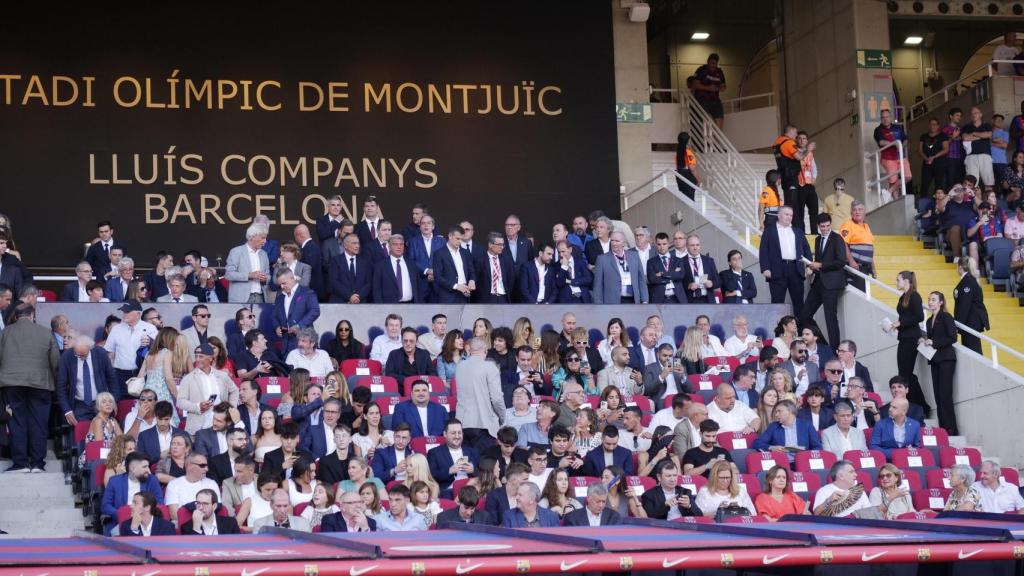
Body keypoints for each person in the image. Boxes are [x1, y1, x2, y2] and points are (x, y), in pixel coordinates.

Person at [0, 305, 59, 472]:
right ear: (32, 315)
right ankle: (37, 463)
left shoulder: (5, 333)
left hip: (11, 383)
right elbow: (55, 360)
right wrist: (52, 382)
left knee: (17, 422)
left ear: (16, 316)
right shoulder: (46, 332)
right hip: (41, 383)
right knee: (39, 423)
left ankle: (20, 463)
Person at [799, 213, 846, 350]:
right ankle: (823, 345)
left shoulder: (837, 239)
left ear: (830, 224)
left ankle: (834, 350)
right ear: (818, 226)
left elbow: (841, 261)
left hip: (832, 284)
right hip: (819, 281)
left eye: (827, 226)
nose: (825, 229)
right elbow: (820, 261)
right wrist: (812, 267)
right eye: (822, 226)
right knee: (804, 315)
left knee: (830, 318)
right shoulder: (818, 239)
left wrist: (821, 265)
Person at [888, 271, 929, 414]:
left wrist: (901, 322)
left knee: (905, 375)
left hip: (911, 338)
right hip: (905, 337)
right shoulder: (903, 297)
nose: (896, 282)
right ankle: (920, 405)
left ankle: (918, 406)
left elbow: (919, 316)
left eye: (898, 279)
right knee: (906, 374)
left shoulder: (914, 296)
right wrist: (897, 325)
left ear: (906, 281)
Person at [454, 339, 505, 451]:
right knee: (485, 465)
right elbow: (496, 398)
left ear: (470, 351)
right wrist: (502, 417)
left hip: (462, 424)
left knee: (467, 464)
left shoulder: (460, 366)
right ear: (485, 351)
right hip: (484, 425)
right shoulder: (490, 367)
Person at [178, 344, 239, 436]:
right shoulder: (188, 378)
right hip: (198, 428)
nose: (197, 359)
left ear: (210, 358)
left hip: (221, 428)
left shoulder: (222, 376)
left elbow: (234, 390)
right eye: (196, 356)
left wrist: (230, 409)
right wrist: (198, 406)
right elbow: (180, 402)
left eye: (201, 356)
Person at [759, 206, 811, 315]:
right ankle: (778, 331)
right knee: (777, 303)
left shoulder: (798, 232)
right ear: (779, 215)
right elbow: (763, 250)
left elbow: (806, 249)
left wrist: (809, 266)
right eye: (786, 214)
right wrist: (765, 268)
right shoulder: (769, 231)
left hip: (795, 269)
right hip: (777, 269)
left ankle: (800, 330)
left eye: (791, 215)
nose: (789, 217)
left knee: (799, 303)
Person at [924, 291, 959, 435]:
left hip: (946, 359)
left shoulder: (946, 316)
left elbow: (952, 337)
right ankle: (943, 428)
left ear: (941, 302)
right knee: (938, 395)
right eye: (929, 299)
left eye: (933, 300)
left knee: (945, 394)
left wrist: (934, 342)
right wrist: (925, 341)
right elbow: (932, 338)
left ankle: (951, 429)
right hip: (935, 360)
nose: (930, 302)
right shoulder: (928, 320)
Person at [774, 125, 815, 229]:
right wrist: (808, 149)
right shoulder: (788, 143)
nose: (796, 135)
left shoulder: (777, 142)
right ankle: (795, 230)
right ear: (791, 131)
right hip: (791, 178)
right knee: (793, 207)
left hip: (785, 177)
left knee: (790, 204)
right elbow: (800, 156)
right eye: (795, 133)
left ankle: (792, 228)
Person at [273, 269, 321, 356]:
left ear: (292, 278)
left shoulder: (307, 293)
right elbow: (274, 316)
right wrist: (277, 327)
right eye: (280, 284)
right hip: (285, 344)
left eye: (284, 283)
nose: (282, 287)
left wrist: (299, 326)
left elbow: (315, 310)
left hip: (305, 342)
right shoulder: (280, 298)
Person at [427, 419, 480, 498]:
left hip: (471, 490)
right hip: (449, 491)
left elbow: (484, 474)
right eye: (453, 433)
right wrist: (449, 470)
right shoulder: (434, 453)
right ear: (445, 434)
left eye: (459, 433)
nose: (457, 436)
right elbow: (431, 476)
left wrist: (474, 470)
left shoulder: (473, 452)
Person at [592, 231, 648, 304]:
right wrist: (598, 304)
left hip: (633, 300)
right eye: (612, 240)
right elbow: (597, 285)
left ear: (623, 243)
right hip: (612, 301)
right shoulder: (602, 259)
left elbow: (641, 280)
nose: (614, 243)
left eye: (617, 241)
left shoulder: (634, 256)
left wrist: (645, 300)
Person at [753, 400, 822, 454]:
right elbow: (757, 443)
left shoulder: (807, 425)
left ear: (790, 410)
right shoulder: (773, 426)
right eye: (776, 412)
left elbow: (817, 447)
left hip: (803, 461)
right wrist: (771, 447)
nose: (776, 415)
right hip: (781, 463)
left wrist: (806, 455)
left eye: (779, 411)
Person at [225, 224, 270, 303]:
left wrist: (265, 278)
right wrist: (249, 275)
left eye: (265, 238)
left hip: (260, 296)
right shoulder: (236, 251)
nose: (265, 241)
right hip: (240, 298)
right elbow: (228, 274)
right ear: (252, 236)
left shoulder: (264, 254)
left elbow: (268, 275)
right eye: (263, 238)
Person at [953, 256, 988, 355]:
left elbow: (964, 306)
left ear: (960, 267)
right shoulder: (970, 280)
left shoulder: (967, 282)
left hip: (970, 323)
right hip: (970, 322)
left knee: (973, 351)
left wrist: (957, 326)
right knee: (972, 351)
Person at [874, 108, 911, 200]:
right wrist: (894, 143)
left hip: (901, 156)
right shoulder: (878, 130)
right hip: (888, 158)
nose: (885, 119)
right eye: (883, 117)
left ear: (890, 117)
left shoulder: (897, 127)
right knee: (893, 181)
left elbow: (905, 139)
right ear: (881, 119)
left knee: (908, 177)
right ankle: (896, 200)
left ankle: (888, 192)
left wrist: (902, 146)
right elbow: (881, 142)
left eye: (887, 117)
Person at [839, 201, 875, 291]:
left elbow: (869, 247)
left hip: (865, 269)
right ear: (851, 213)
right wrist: (851, 261)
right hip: (855, 268)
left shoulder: (866, 226)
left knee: (864, 295)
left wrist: (873, 267)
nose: (857, 212)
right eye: (854, 210)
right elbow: (843, 244)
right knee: (859, 297)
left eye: (860, 209)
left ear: (864, 212)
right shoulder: (848, 225)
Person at [328, 233, 373, 304]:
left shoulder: (365, 262)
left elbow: (368, 283)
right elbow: (334, 282)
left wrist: (357, 297)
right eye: (354, 243)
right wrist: (349, 296)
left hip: (360, 302)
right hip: (340, 302)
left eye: (358, 243)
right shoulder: (336, 261)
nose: (357, 246)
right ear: (345, 245)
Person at [962, 106, 996, 191]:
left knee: (988, 182)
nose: (973, 115)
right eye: (972, 113)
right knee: (971, 184)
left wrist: (974, 133)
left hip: (985, 155)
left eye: (976, 113)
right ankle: (973, 203)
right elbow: (965, 138)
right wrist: (982, 136)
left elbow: (989, 135)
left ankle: (990, 203)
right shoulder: (966, 127)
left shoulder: (987, 125)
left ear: (981, 114)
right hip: (971, 157)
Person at [680, 234, 719, 303]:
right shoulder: (681, 261)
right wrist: (688, 286)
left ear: (700, 245)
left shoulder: (709, 261)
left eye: (697, 245)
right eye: (692, 245)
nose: (695, 248)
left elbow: (718, 281)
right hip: (690, 301)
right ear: (686, 246)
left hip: (708, 300)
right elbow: (678, 283)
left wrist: (712, 283)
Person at [693, 54, 726, 129]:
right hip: (702, 98)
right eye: (712, 63)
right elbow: (695, 84)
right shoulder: (701, 70)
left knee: (720, 118)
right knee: (704, 119)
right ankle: (705, 137)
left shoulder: (719, 71)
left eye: (715, 63)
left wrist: (722, 87)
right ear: (708, 62)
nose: (713, 65)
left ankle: (716, 138)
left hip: (715, 99)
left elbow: (723, 85)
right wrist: (708, 88)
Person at [919, 118, 949, 197]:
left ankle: (937, 203)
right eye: (931, 124)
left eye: (934, 124)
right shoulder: (923, 136)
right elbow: (920, 150)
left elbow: (946, 149)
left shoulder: (943, 136)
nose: (932, 126)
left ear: (938, 126)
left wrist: (934, 157)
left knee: (939, 185)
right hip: (927, 164)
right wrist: (926, 158)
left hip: (939, 164)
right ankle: (923, 203)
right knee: (924, 184)